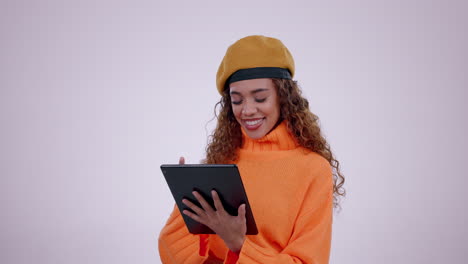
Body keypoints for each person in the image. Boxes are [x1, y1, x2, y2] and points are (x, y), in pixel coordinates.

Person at [158, 35, 345, 264]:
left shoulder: (313, 169)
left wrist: (239, 244)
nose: (247, 110)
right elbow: (171, 251)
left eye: (260, 98)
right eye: (237, 101)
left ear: (283, 98)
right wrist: (185, 203)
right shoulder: (223, 159)